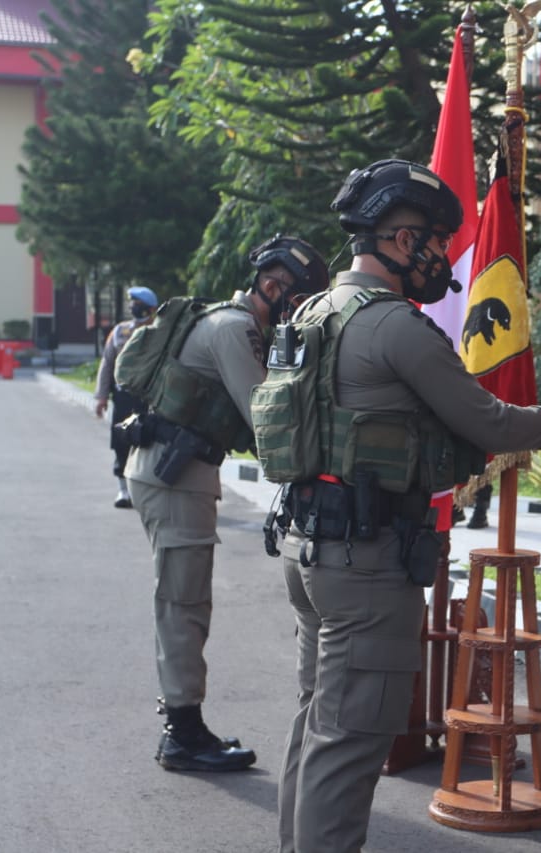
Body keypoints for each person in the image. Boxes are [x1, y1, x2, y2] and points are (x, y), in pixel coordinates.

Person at [274, 158, 541, 853]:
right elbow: (492, 423)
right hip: (366, 563)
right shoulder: (396, 327)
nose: (444, 257)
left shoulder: (313, 310)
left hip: (309, 548)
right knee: (351, 739)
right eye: (436, 241)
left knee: (318, 722)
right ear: (398, 239)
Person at [123, 235, 330, 771]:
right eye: (298, 298)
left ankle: (184, 724)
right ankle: (183, 734)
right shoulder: (236, 330)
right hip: (176, 478)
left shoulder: (226, 321)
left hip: (175, 473)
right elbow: (266, 417)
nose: (300, 311)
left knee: (184, 601)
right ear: (271, 286)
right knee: (182, 604)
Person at [94, 286, 158, 508]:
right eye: (132, 303)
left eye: (138, 304)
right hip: (123, 397)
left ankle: (143, 490)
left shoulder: (160, 330)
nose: (133, 307)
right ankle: (123, 490)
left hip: (149, 399)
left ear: (151, 308)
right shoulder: (119, 331)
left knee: (148, 442)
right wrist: (101, 396)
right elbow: (107, 363)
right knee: (121, 443)